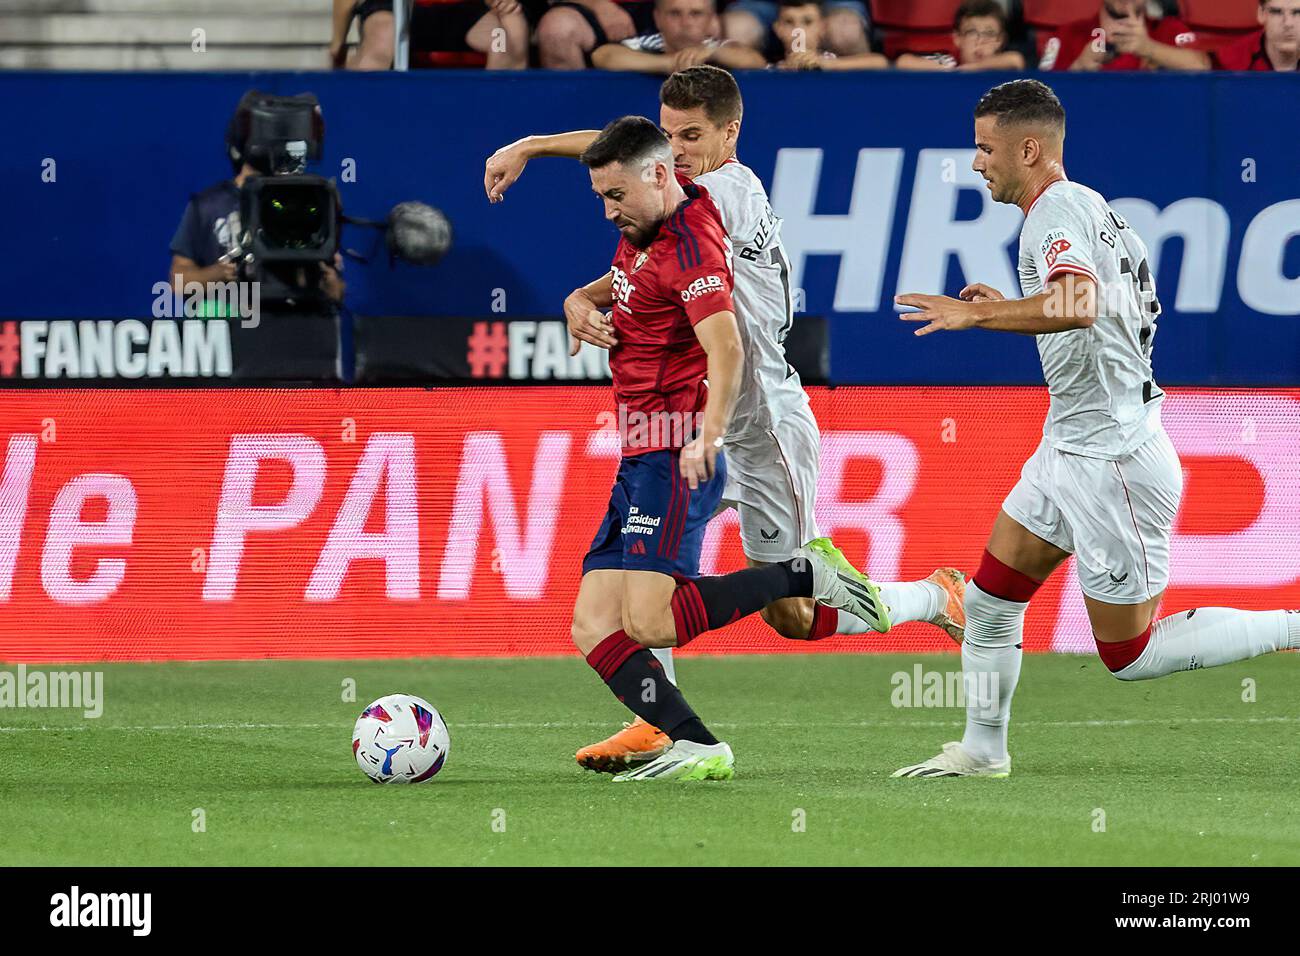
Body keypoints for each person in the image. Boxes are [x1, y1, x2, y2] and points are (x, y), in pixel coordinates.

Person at [485, 66, 966, 772]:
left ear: (730, 133)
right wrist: (578, 280)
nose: (676, 151)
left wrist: (534, 146)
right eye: (668, 134)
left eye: (692, 136)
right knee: (645, 579)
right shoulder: (666, 197)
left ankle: (933, 595)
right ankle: (658, 722)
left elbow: (632, 164)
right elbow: (628, 165)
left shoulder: (726, 191)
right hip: (688, 420)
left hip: (758, 421)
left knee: (793, 618)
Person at [892, 79, 1300, 778]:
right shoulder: (1095, 211)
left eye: (986, 149)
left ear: (1029, 148)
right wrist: (1015, 304)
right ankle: (984, 752)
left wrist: (980, 315)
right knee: (990, 599)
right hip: (1071, 444)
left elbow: (1078, 305)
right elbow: (1100, 309)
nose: (978, 162)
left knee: (1129, 656)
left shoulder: (1054, 213)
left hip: (1113, 459)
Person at [565, 116, 889, 782]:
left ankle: (804, 574)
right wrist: (578, 292)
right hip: (637, 453)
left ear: (660, 179)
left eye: (615, 196)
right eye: (601, 197)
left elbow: (727, 347)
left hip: (674, 452)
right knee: (595, 625)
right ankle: (695, 742)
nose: (607, 211)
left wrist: (707, 437)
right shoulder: (649, 219)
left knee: (653, 621)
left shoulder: (693, 246)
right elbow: (627, 146)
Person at [589, 0, 767, 72]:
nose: (686, 22)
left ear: (712, 20)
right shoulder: (645, 45)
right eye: (675, 13)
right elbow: (602, 55)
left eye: (695, 14)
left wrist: (713, 53)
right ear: (657, 18)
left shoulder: (718, 48)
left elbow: (756, 61)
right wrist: (670, 63)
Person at [1039, 0, 1203, 72]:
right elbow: (1037, 101)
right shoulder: (1066, 35)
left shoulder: (1170, 29)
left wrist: (1147, 48)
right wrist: (1078, 68)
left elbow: (1203, 67)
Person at [896, 0, 1026, 72]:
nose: (980, 41)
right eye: (971, 32)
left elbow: (1015, 60)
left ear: (1000, 40)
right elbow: (903, 61)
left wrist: (971, 69)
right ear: (957, 38)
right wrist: (952, 72)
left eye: (989, 33)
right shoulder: (948, 63)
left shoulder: (1002, 67)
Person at [771, 0, 888, 70]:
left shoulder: (832, 62)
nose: (798, 30)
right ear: (778, 28)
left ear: (822, 27)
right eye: (789, 22)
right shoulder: (770, 68)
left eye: (808, 22)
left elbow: (880, 62)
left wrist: (825, 64)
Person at [1208, 0, 1300, 71]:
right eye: (1276, 12)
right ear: (1261, 14)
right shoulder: (1230, 61)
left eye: (1298, 12)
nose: (1288, 23)